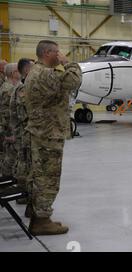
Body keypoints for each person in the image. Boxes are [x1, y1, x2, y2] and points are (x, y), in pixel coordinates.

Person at [24, 40, 82, 236]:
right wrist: (69, 63)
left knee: (38, 176)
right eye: (57, 52)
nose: (60, 55)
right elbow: (74, 81)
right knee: (48, 179)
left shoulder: (35, 72)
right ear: (48, 53)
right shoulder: (45, 74)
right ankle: (41, 221)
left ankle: (36, 213)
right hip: (48, 134)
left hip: (41, 132)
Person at [10, 59, 35, 208]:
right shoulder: (22, 89)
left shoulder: (20, 87)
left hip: (22, 133)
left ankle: (24, 194)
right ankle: (24, 195)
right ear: (26, 70)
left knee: (24, 163)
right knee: (26, 165)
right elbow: (27, 113)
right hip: (24, 134)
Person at [0, 63, 21, 177]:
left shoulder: (11, 87)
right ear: (14, 73)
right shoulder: (9, 89)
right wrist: (11, 133)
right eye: (19, 70)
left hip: (10, 128)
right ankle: (6, 181)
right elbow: (7, 113)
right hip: (9, 129)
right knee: (10, 157)